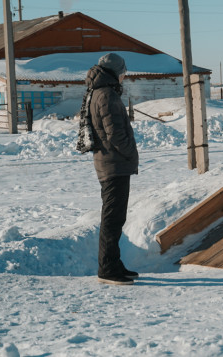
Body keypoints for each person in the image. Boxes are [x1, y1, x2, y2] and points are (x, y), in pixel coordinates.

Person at [86, 53, 139, 285]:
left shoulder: (99, 91)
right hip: (114, 164)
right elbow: (115, 133)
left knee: (115, 218)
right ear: (115, 72)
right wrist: (130, 152)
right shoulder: (106, 94)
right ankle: (107, 269)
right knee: (112, 219)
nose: (124, 77)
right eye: (123, 72)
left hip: (111, 162)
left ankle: (114, 264)